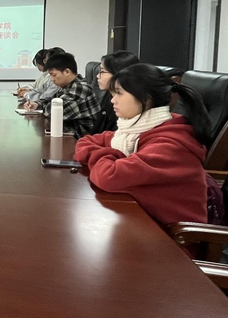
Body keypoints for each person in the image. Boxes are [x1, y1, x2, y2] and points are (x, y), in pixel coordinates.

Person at [74, 64, 210, 225]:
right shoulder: (136, 131)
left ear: (146, 99)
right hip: (142, 221)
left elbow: (109, 177)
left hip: (170, 236)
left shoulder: (170, 145)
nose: (112, 100)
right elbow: (87, 141)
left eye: (119, 93)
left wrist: (109, 155)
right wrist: (110, 156)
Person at [26, 52, 100, 137]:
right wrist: (37, 104)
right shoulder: (68, 86)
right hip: (69, 132)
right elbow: (51, 100)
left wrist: (44, 106)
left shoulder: (79, 88)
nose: (52, 79)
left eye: (54, 75)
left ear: (67, 72)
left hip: (80, 137)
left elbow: (53, 112)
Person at [89, 51, 140, 134]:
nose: (98, 76)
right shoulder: (109, 95)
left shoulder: (129, 105)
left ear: (119, 74)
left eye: (102, 72)